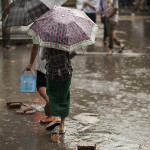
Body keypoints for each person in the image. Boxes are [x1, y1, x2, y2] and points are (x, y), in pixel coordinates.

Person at [41, 48, 77, 134]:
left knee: (52, 95)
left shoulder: (47, 44)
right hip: (65, 73)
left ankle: (56, 117)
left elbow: (42, 57)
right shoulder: (65, 42)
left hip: (52, 74)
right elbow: (74, 53)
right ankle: (62, 126)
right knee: (64, 96)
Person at [26, 41, 52, 121]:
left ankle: (48, 99)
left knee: (41, 84)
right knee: (53, 85)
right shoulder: (61, 31)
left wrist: (30, 64)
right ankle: (56, 116)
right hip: (57, 63)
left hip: (43, 61)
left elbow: (35, 47)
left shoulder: (40, 30)